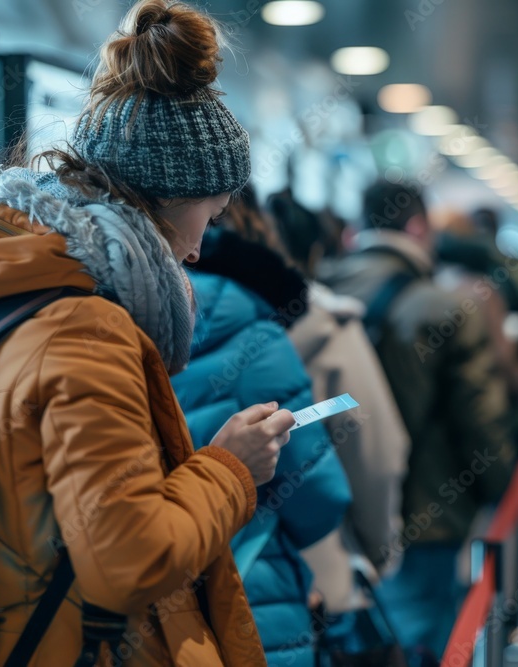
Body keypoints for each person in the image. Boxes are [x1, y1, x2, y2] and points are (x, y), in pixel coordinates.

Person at [0, 1, 288, 664]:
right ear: (167, 197)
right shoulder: (87, 330)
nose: (199, 249)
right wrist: (231, 466)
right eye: (212, 213)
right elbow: (131, 560)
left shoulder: (12, 294)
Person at [320, 181, 518, 660]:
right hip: (426, 515)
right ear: (417, 227)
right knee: (423, 642)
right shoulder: (448, 309)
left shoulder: (316, 295)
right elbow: (481, 420)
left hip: (329, 516)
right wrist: (500, 490)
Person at [171, 189, 351, 665]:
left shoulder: (123, 321)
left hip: (156, 596)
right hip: (252, 582)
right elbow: (319, 490)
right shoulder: (259, 336)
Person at [267, 191, 411, 658]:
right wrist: (379, 551)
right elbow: (377, 453)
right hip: (322, 580)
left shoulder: (178, 321)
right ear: (316, 254)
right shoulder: (330, 329)